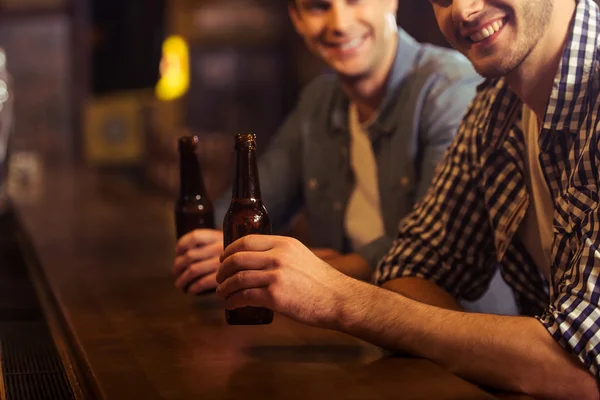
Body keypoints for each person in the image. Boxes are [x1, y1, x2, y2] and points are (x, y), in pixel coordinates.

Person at [215, 0, 600, 397]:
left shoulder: (452, 85)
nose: (464, 10)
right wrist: (498, 355)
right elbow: (411, 265)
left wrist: (341, 299)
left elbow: (580, 365)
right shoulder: (495, 106)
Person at [173, 0, 480, 293]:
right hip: (349, 334)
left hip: (451, 334)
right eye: (319, 6)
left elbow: (432, 248)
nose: (340, 24)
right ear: (297, 18)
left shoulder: (449, 89)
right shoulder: (319, 100)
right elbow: (252, 204)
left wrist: (306, 264)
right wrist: (223, 246)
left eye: (356, 1)